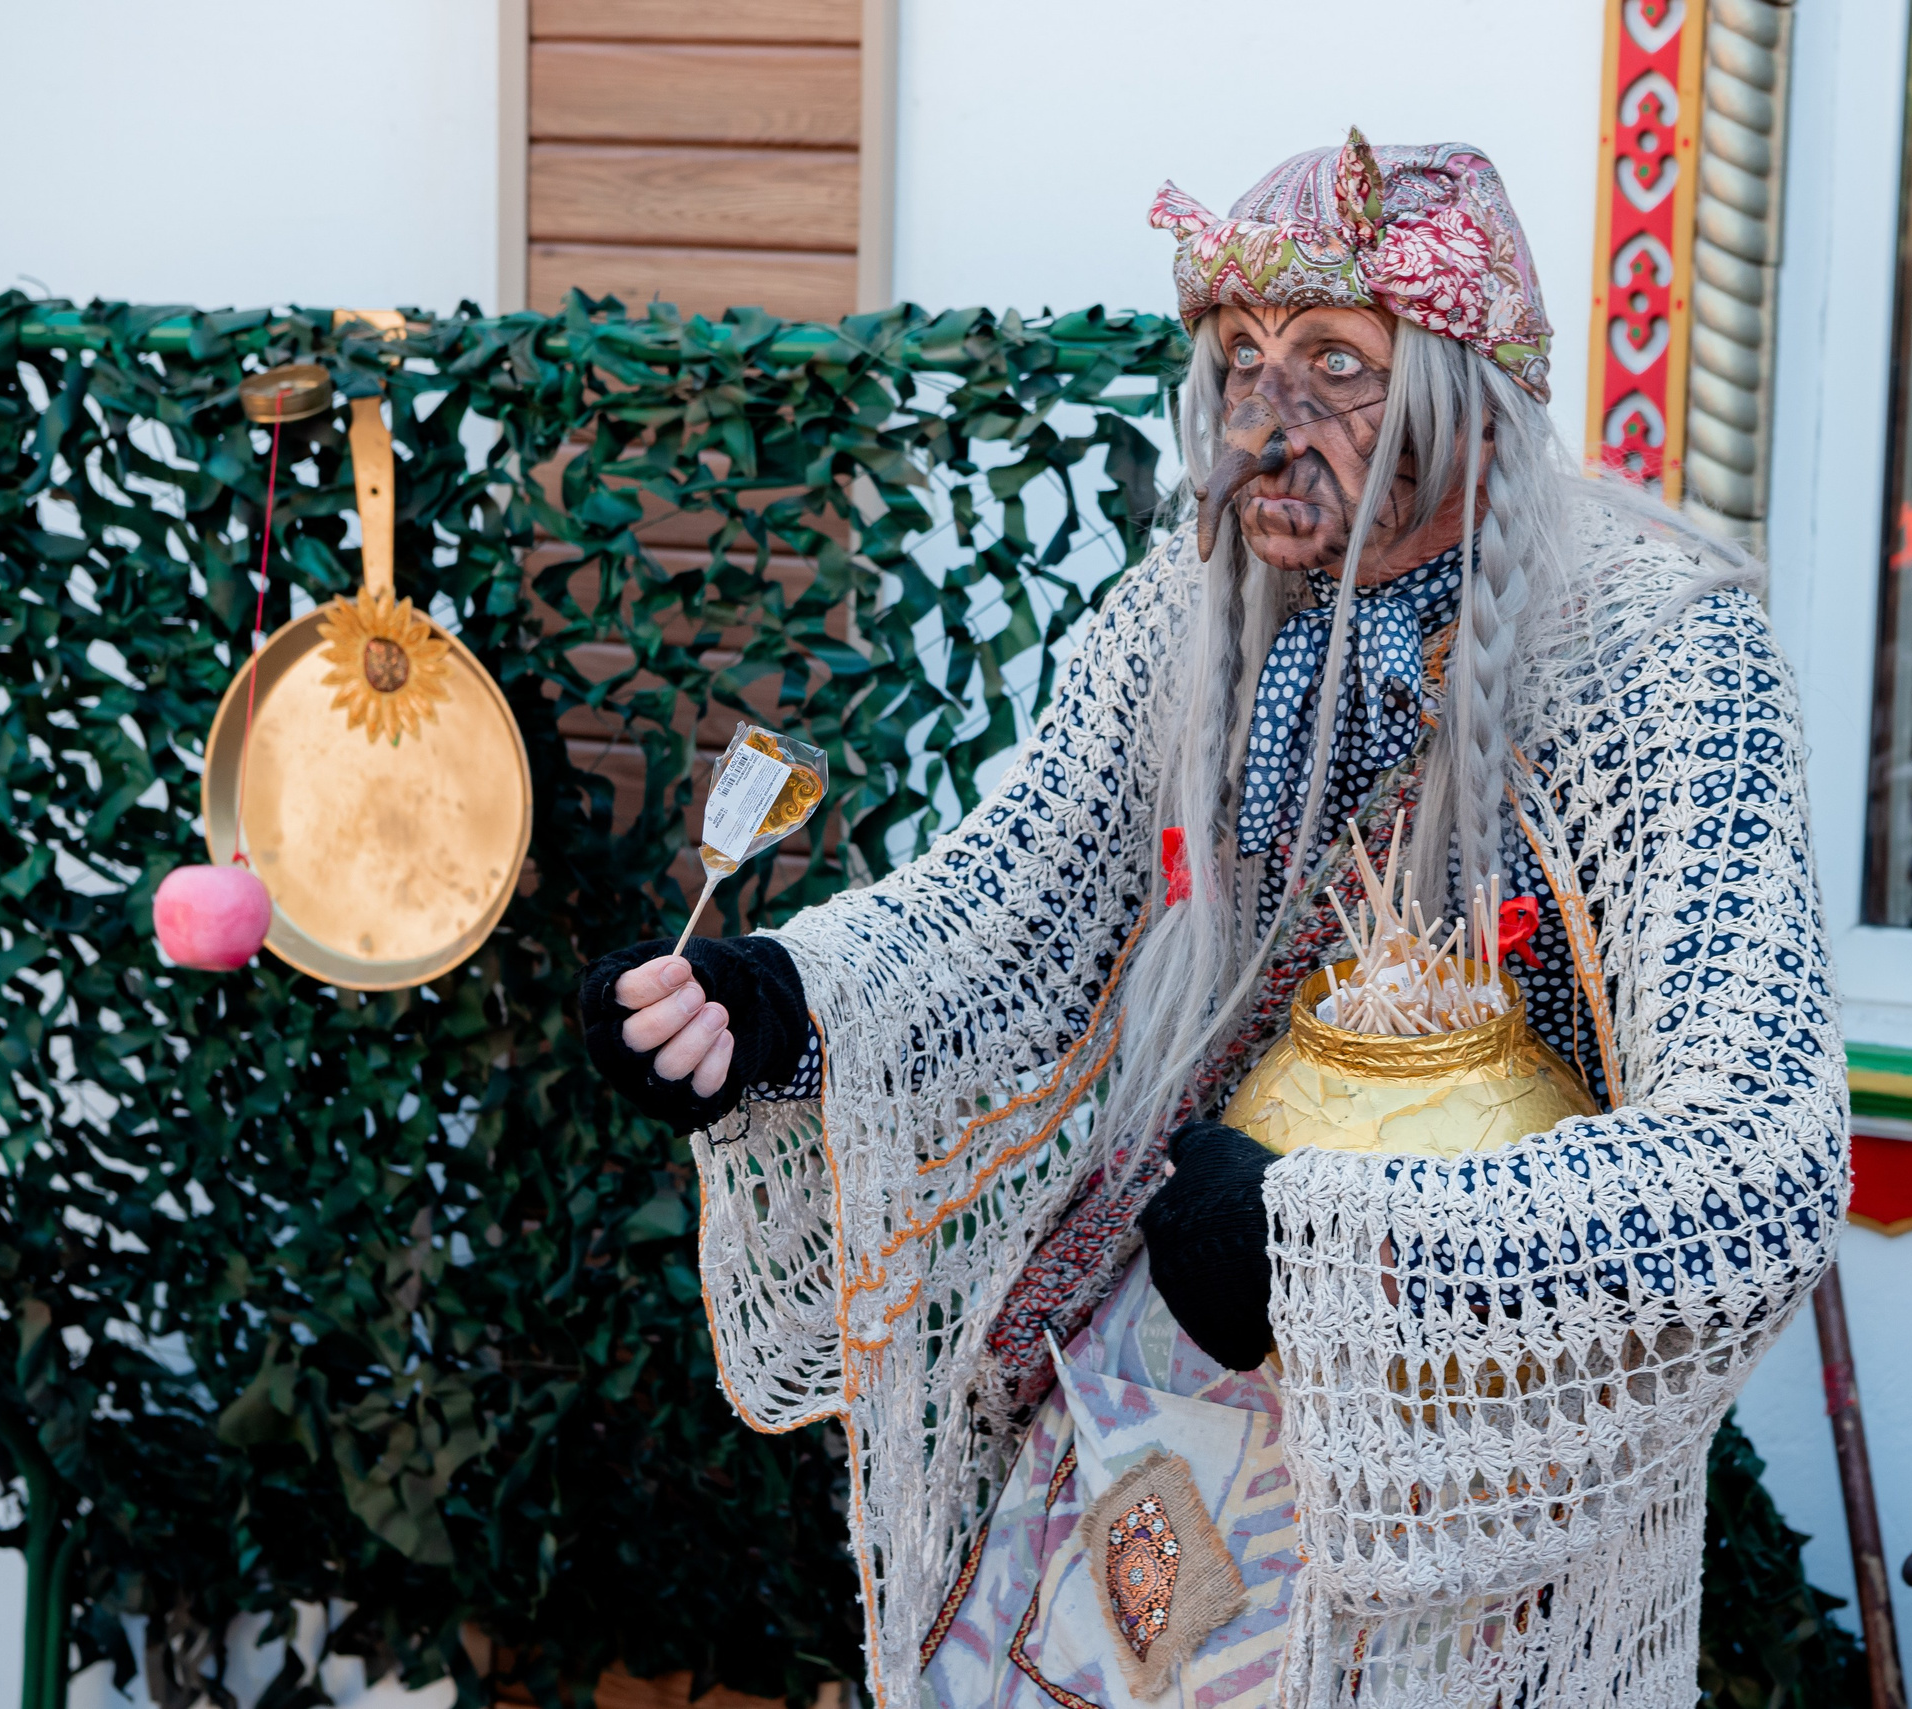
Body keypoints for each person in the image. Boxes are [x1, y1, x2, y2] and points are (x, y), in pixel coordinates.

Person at [581, 131, 1846, 1709]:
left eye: (1335, 364)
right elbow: (1009, 905)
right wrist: (781, 1004)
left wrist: (1336, 1253)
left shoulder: (1659, 654)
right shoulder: (1181, 614)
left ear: (1470, 386)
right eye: (1239, 362)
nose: (1268, 420)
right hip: (1167, 1355)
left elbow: (1758, 1148)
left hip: (1476, 1446)